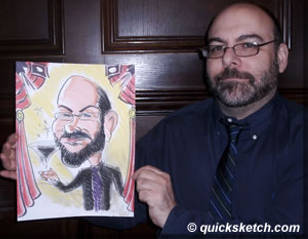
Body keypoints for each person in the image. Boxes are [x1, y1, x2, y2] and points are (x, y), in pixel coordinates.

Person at [0, 2, 305, 238]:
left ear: (280, 56)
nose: (229, 59)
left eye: (248, 45)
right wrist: (38, 171)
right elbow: (122, 205)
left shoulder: (301, 136)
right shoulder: (177, 129)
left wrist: (175, 219)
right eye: (216, 48)